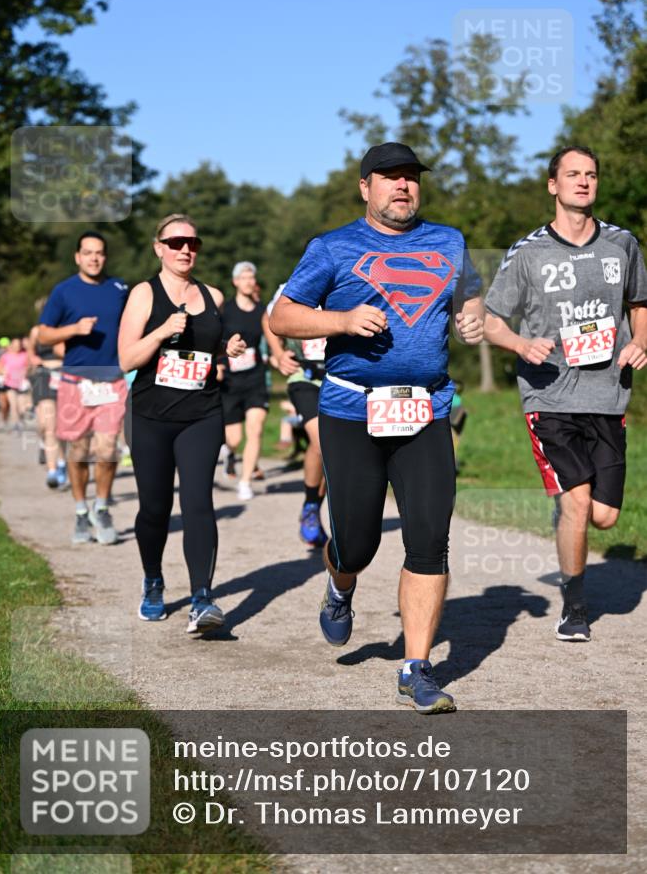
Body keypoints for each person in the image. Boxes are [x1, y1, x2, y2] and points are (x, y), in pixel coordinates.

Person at [270, 141, 484, 713]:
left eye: (411, 177)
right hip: (352, 410)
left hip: (426, 409)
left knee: (429, 536)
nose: (402, 187)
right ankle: (341, 587)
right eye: (389, 178)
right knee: (358, 540)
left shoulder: (449, 241)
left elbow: (471, 295)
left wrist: (473, 316)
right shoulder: (333, 247)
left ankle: (416, 669)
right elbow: (282, 316)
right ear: (365, 187)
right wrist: (340, 319)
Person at [484, 145, 647, 641]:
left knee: (604, 516)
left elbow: (639, 302)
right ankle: (574, 607)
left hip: (608, 396)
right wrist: (520, 343)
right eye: (572, 174)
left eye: (591, 174)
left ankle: (567, 516)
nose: (583, 182)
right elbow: (489, 320)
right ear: (552, 185)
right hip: (549, 396)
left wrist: (640, 340)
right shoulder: (529, 252)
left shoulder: (622, 244)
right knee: (577, 500)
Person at [118, 214, 246, 634]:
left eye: (192, 242)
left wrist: (230, 346)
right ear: (159, 247)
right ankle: (153, 581)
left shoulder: (212, 295)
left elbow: (214, 347)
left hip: (202, 414)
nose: (185, 249)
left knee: (198, 504)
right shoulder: (143, 294)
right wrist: (160, 333)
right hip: (150, 417)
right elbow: (126, 360)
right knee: (155, 509)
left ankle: (201, 599)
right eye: (175, 242)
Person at [38, 231, 129, 545]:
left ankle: (102, 506)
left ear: (105, 256)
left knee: (106, 449)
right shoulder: (64, 292)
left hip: (112, 381)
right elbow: (43, 335)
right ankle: (80, 510)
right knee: (78, 451)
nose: (94, 258)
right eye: (88, 252)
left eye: (99, 253)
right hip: (75, 382)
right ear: (77, 256)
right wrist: (74, 330)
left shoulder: (120, 289)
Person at [265, 282, 328, 547]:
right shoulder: (292, 287)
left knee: (333, 448)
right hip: (303, 376)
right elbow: (267, 317)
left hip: (340, 377)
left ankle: (319, 507)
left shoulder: (348, 279)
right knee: (322, 439)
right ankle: (311, 506)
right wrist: (278, 353)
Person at [219, 261, 270, 501]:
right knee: (234, 438)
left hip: (255, 378)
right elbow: (215, 340)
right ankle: (229, 452)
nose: (249, 281)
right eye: (244, 278)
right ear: (235, 282)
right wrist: (218, 364)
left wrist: (278, 357)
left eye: (252, 277)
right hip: (230, 381)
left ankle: (245, 481)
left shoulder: (262, 311)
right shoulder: (225, 310)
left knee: (256, 429)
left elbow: (271, 338)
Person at [28, 301, 67, 489]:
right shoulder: (37, 332)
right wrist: (36, 361)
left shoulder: (65, 330)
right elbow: (30, 355)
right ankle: (53, 465)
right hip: (43, 377)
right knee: (46, 425)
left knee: (59, 427)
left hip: (63, 377)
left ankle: (58, 465)